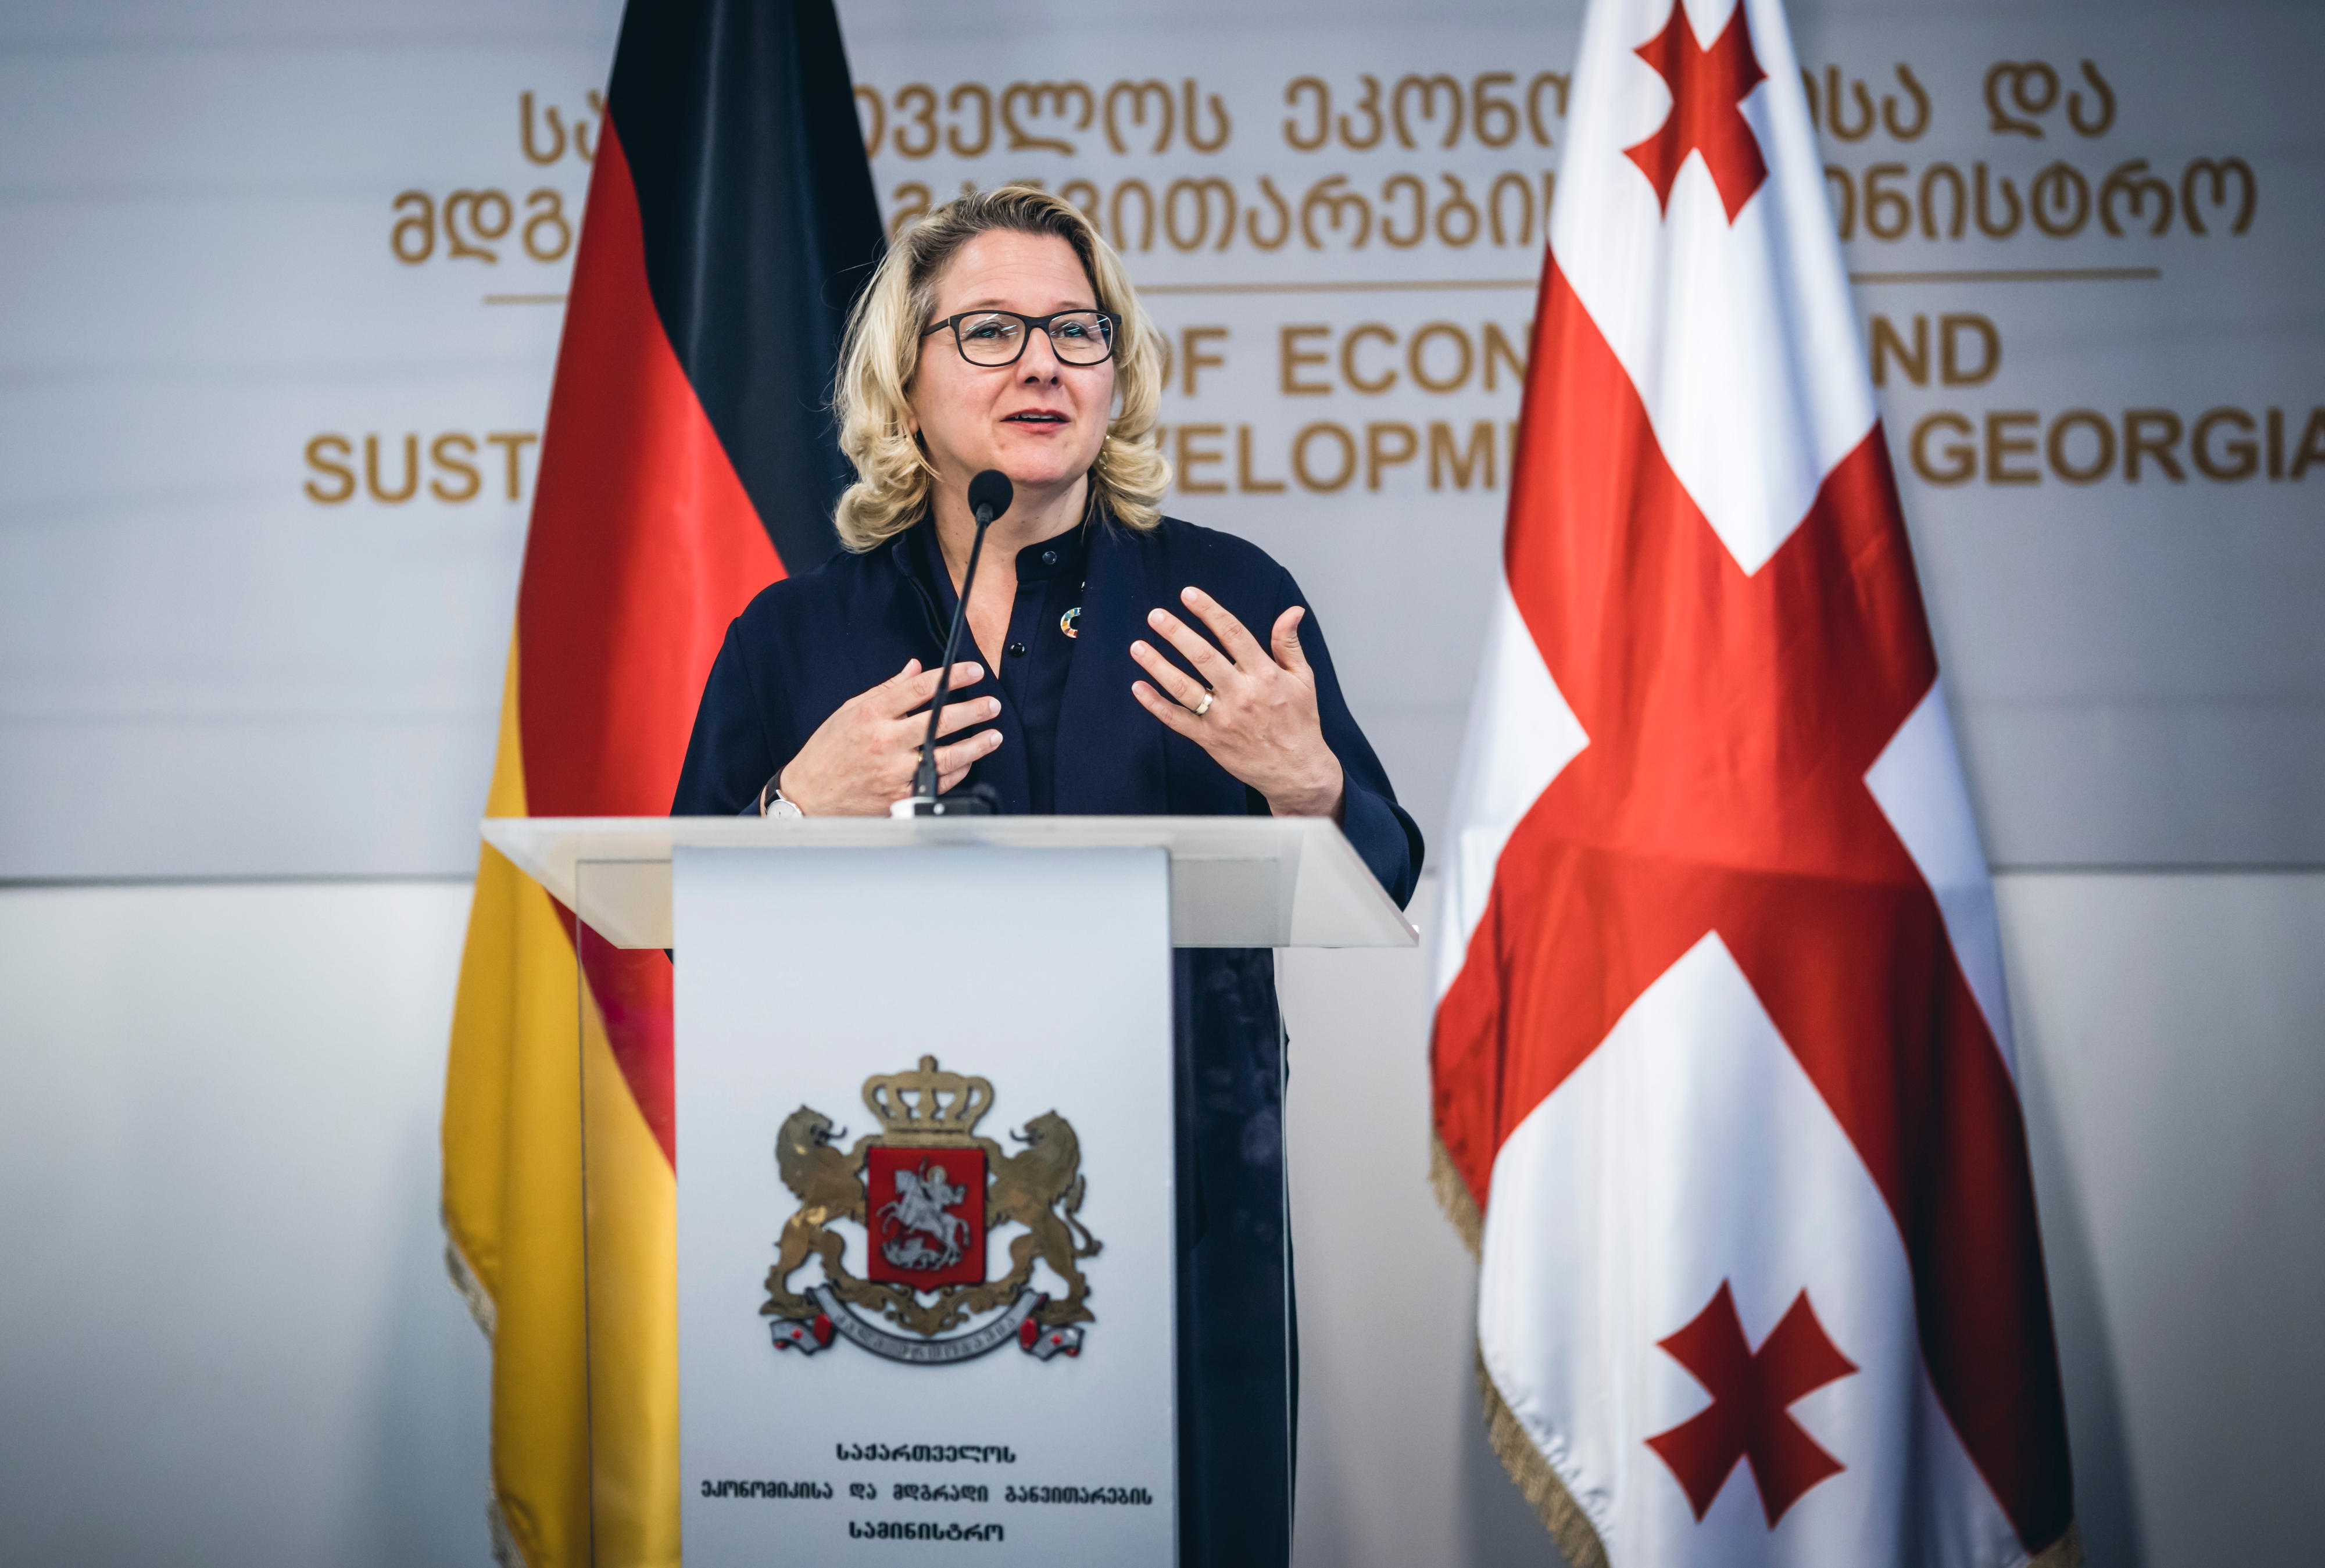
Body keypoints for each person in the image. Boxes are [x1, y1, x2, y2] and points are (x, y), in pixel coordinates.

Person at [671, 185, 1422, 1566]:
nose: (1042, 363)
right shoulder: (795, 634)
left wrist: (1304, 780)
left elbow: (1383, 867)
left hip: (1188, 1208)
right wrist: (791, 804)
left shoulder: (1221, 596)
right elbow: (678, 920)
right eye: (993, 330)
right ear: (905, 378)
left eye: (1076, 330)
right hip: (887, 1226)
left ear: (1116, 371)